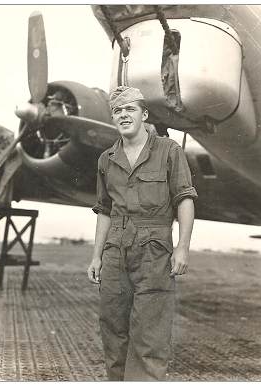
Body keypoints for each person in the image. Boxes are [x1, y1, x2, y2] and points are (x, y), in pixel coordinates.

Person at [87, 86, 197, 381]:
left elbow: (184, 199)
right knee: (113, 331)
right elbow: (105, 210)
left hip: (154, 251)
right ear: (113, 118)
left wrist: (182, 247)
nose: (123, 115)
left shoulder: (169, 151)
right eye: (118, 111)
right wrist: (96, 256)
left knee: (150, 336)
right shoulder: (106, 159)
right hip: (115, 253)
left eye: (130, 109)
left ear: (144, 115)